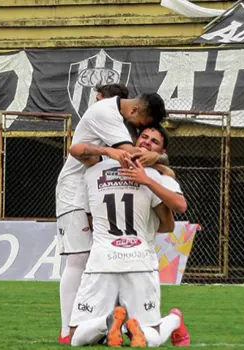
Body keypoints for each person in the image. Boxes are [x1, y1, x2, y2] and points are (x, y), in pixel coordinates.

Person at [57, 92, 167, 344]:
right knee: (78, 260)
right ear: (136, 110)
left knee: (95, 259)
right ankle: (66, 330)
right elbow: (134, 157)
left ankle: (105, 325)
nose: (140, 130)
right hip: (75, 191)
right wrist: (161, 159)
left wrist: (158, 160)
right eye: (143, 124)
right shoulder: (106, 114)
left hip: (98, 190)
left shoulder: (117, 116)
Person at [68, 128, 191, 347]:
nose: (146, 143)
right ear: (133, 140)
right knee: (148, 335)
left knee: (77, 338)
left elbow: (178, 209)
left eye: (154, 141)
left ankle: (112, 325)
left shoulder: (97, 170)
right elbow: (169, 223)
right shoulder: (154, 174)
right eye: (144, 137)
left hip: (118, 261)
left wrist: (147, 178)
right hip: (120, 260)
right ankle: (149, 322)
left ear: (161, 151)